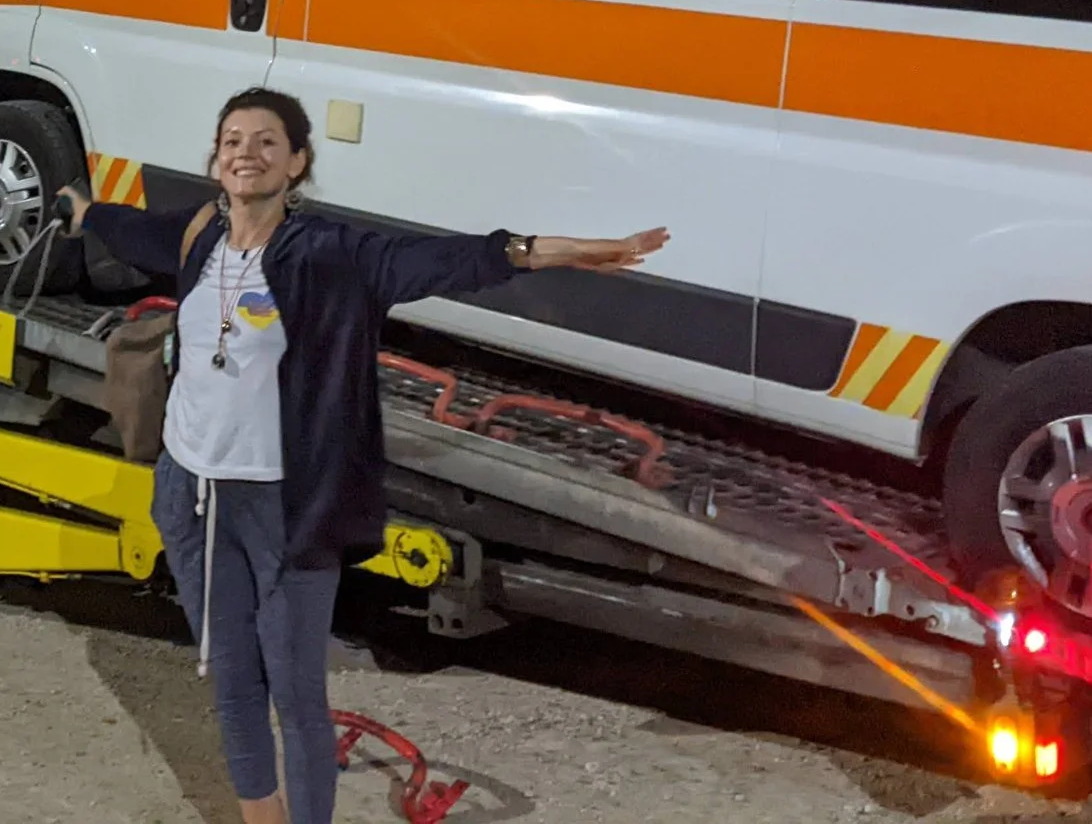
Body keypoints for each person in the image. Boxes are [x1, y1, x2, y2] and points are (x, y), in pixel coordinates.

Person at [62, 86, 665, 824]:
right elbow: (132, 231)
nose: (245, 153)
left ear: (297, 163)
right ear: (216, 162)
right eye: (231, 140)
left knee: (297, 695)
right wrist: (87, 213)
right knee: (229, 676)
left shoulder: (333, 254)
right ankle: (261, 816)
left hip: (288, 507)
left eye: (266, 142)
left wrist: (541, 253)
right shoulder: (198, 239)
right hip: (194, 493)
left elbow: (439, 261)